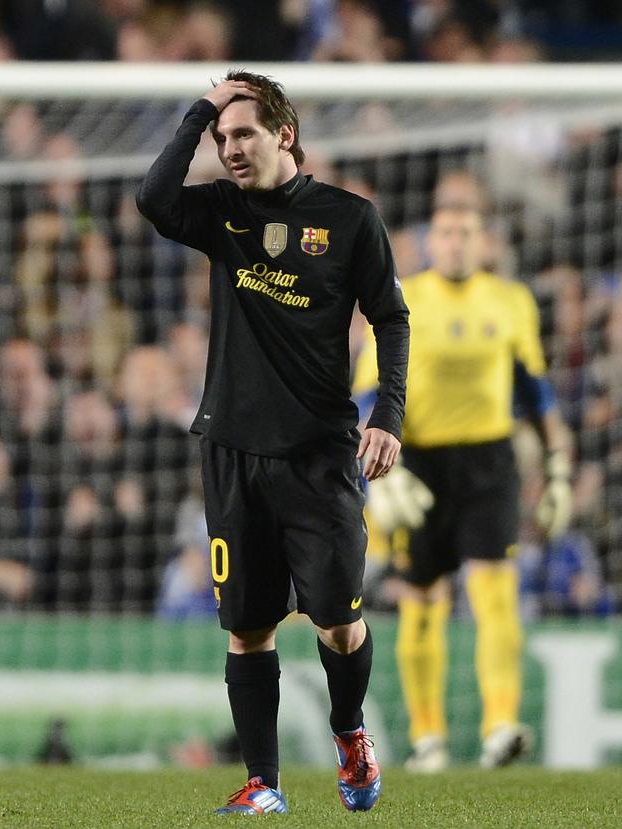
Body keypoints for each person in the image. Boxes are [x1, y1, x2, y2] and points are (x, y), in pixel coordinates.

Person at [137, 70, 409, 814]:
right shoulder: (222, 211)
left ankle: (350, 730)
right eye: (222, 138)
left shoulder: (351, 220)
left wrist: (388, 413)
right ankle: (264, 781)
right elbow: (153, 200)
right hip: (230, 452)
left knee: (338, 624)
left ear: (284, 133)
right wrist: (202, 108)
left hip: (320, 455)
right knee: (248, 629)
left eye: (243, 133)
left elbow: (390, 317)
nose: (229, 149)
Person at [355, 201, 572, 772]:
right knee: (422, 601)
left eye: (466, 232)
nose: (455, 243)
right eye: (446, 233)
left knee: (495, 593)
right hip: (416, 462)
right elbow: (362, 396)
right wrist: (381, 471)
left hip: (488, 461)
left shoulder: (510, 301)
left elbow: (536, 392)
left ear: (484, 242)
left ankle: (501, 725)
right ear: (430, 242)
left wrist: (557, 467)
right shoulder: (401, 296)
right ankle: (429, 740)